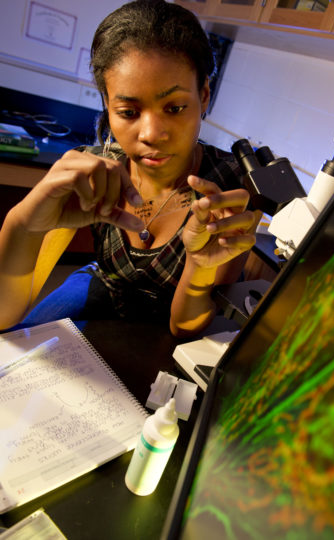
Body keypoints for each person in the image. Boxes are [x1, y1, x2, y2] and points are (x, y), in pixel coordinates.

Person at [0, 0, 256, 337]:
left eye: (175, 107)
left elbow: (184, 326)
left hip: (173, 321)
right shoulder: (94, 173)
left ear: (204, 96)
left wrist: (198, 264)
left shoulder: (227, 188)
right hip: (102, 286)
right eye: (128, 112)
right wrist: (21, 224)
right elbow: (5, 316)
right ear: (107, 105)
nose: (151, 134)